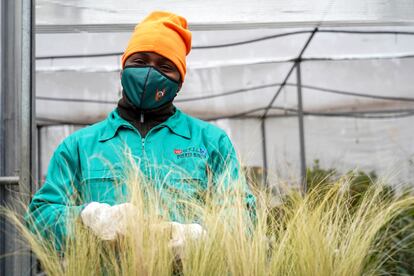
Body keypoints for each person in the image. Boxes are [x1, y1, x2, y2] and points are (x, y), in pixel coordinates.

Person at [26, 11, 255, 250]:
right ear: (124, 66)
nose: (149, 72)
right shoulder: (78, 146)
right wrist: (86, 218)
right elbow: (39, 218)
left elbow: (244, 215)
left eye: (165, 66)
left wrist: (200, 238)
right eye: (140, 61)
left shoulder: (210, 141)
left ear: (179, 82)